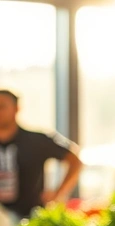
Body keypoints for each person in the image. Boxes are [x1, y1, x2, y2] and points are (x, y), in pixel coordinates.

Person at [0, 89, 83, 219]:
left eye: (2, 107)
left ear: (16, 109)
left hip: (31, 217)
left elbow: (74, 160)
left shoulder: (37, 140)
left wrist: (58, 193)